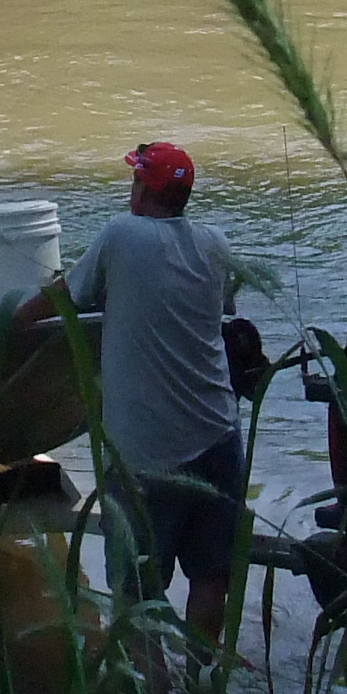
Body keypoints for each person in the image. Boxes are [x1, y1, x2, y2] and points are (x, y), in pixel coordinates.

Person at [58, 138, 251, 651]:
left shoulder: (122, 234)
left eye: (135, 180)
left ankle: (152, 689)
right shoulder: (216, 243)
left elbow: (65, 297)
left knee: (137, 592)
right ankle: (202, 680)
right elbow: (220, 305)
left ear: (143, 190)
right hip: (218, 436)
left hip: (145, 455)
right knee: (212, 575)